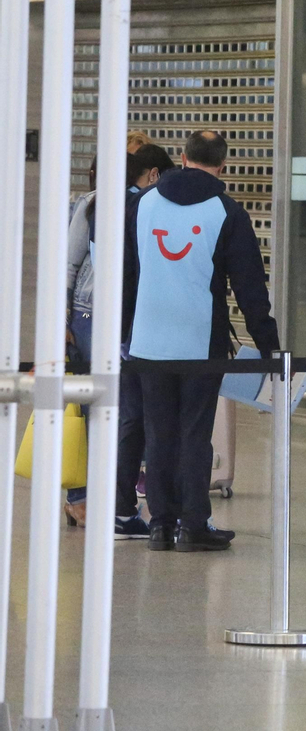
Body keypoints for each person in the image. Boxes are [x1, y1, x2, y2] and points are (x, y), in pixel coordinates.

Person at [124, 130, 277, 554]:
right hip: (199, 342)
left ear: (182, 157)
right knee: (194, 433)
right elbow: (250, 287)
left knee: (158, 432)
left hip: (148, 340)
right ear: (223, 166)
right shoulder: (226, 211)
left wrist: (122, 332)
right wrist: (269, 346)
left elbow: (125, 273)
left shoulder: (142, 203)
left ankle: (159, 525)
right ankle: (193, 524)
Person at [64, 140, 172, 531]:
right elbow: (70, 261)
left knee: (118, 412)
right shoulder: (92, 205)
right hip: (92, 317)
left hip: (122, 319)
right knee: (90, 410)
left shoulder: (147, 205)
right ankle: (80, 497)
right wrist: (63, 320)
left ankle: (107, 499)